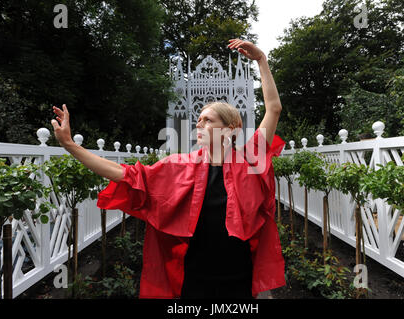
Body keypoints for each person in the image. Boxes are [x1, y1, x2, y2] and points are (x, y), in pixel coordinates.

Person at [51, 39, 286, 299]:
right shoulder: (180, 167)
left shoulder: (251, 160)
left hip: (238, 277)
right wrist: (71, 145)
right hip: (194, 279)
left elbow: (273, 108)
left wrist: (261, 60)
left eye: (208, 120)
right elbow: (125, 175)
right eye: (198, 119)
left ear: (230, 129)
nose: (199, 124)